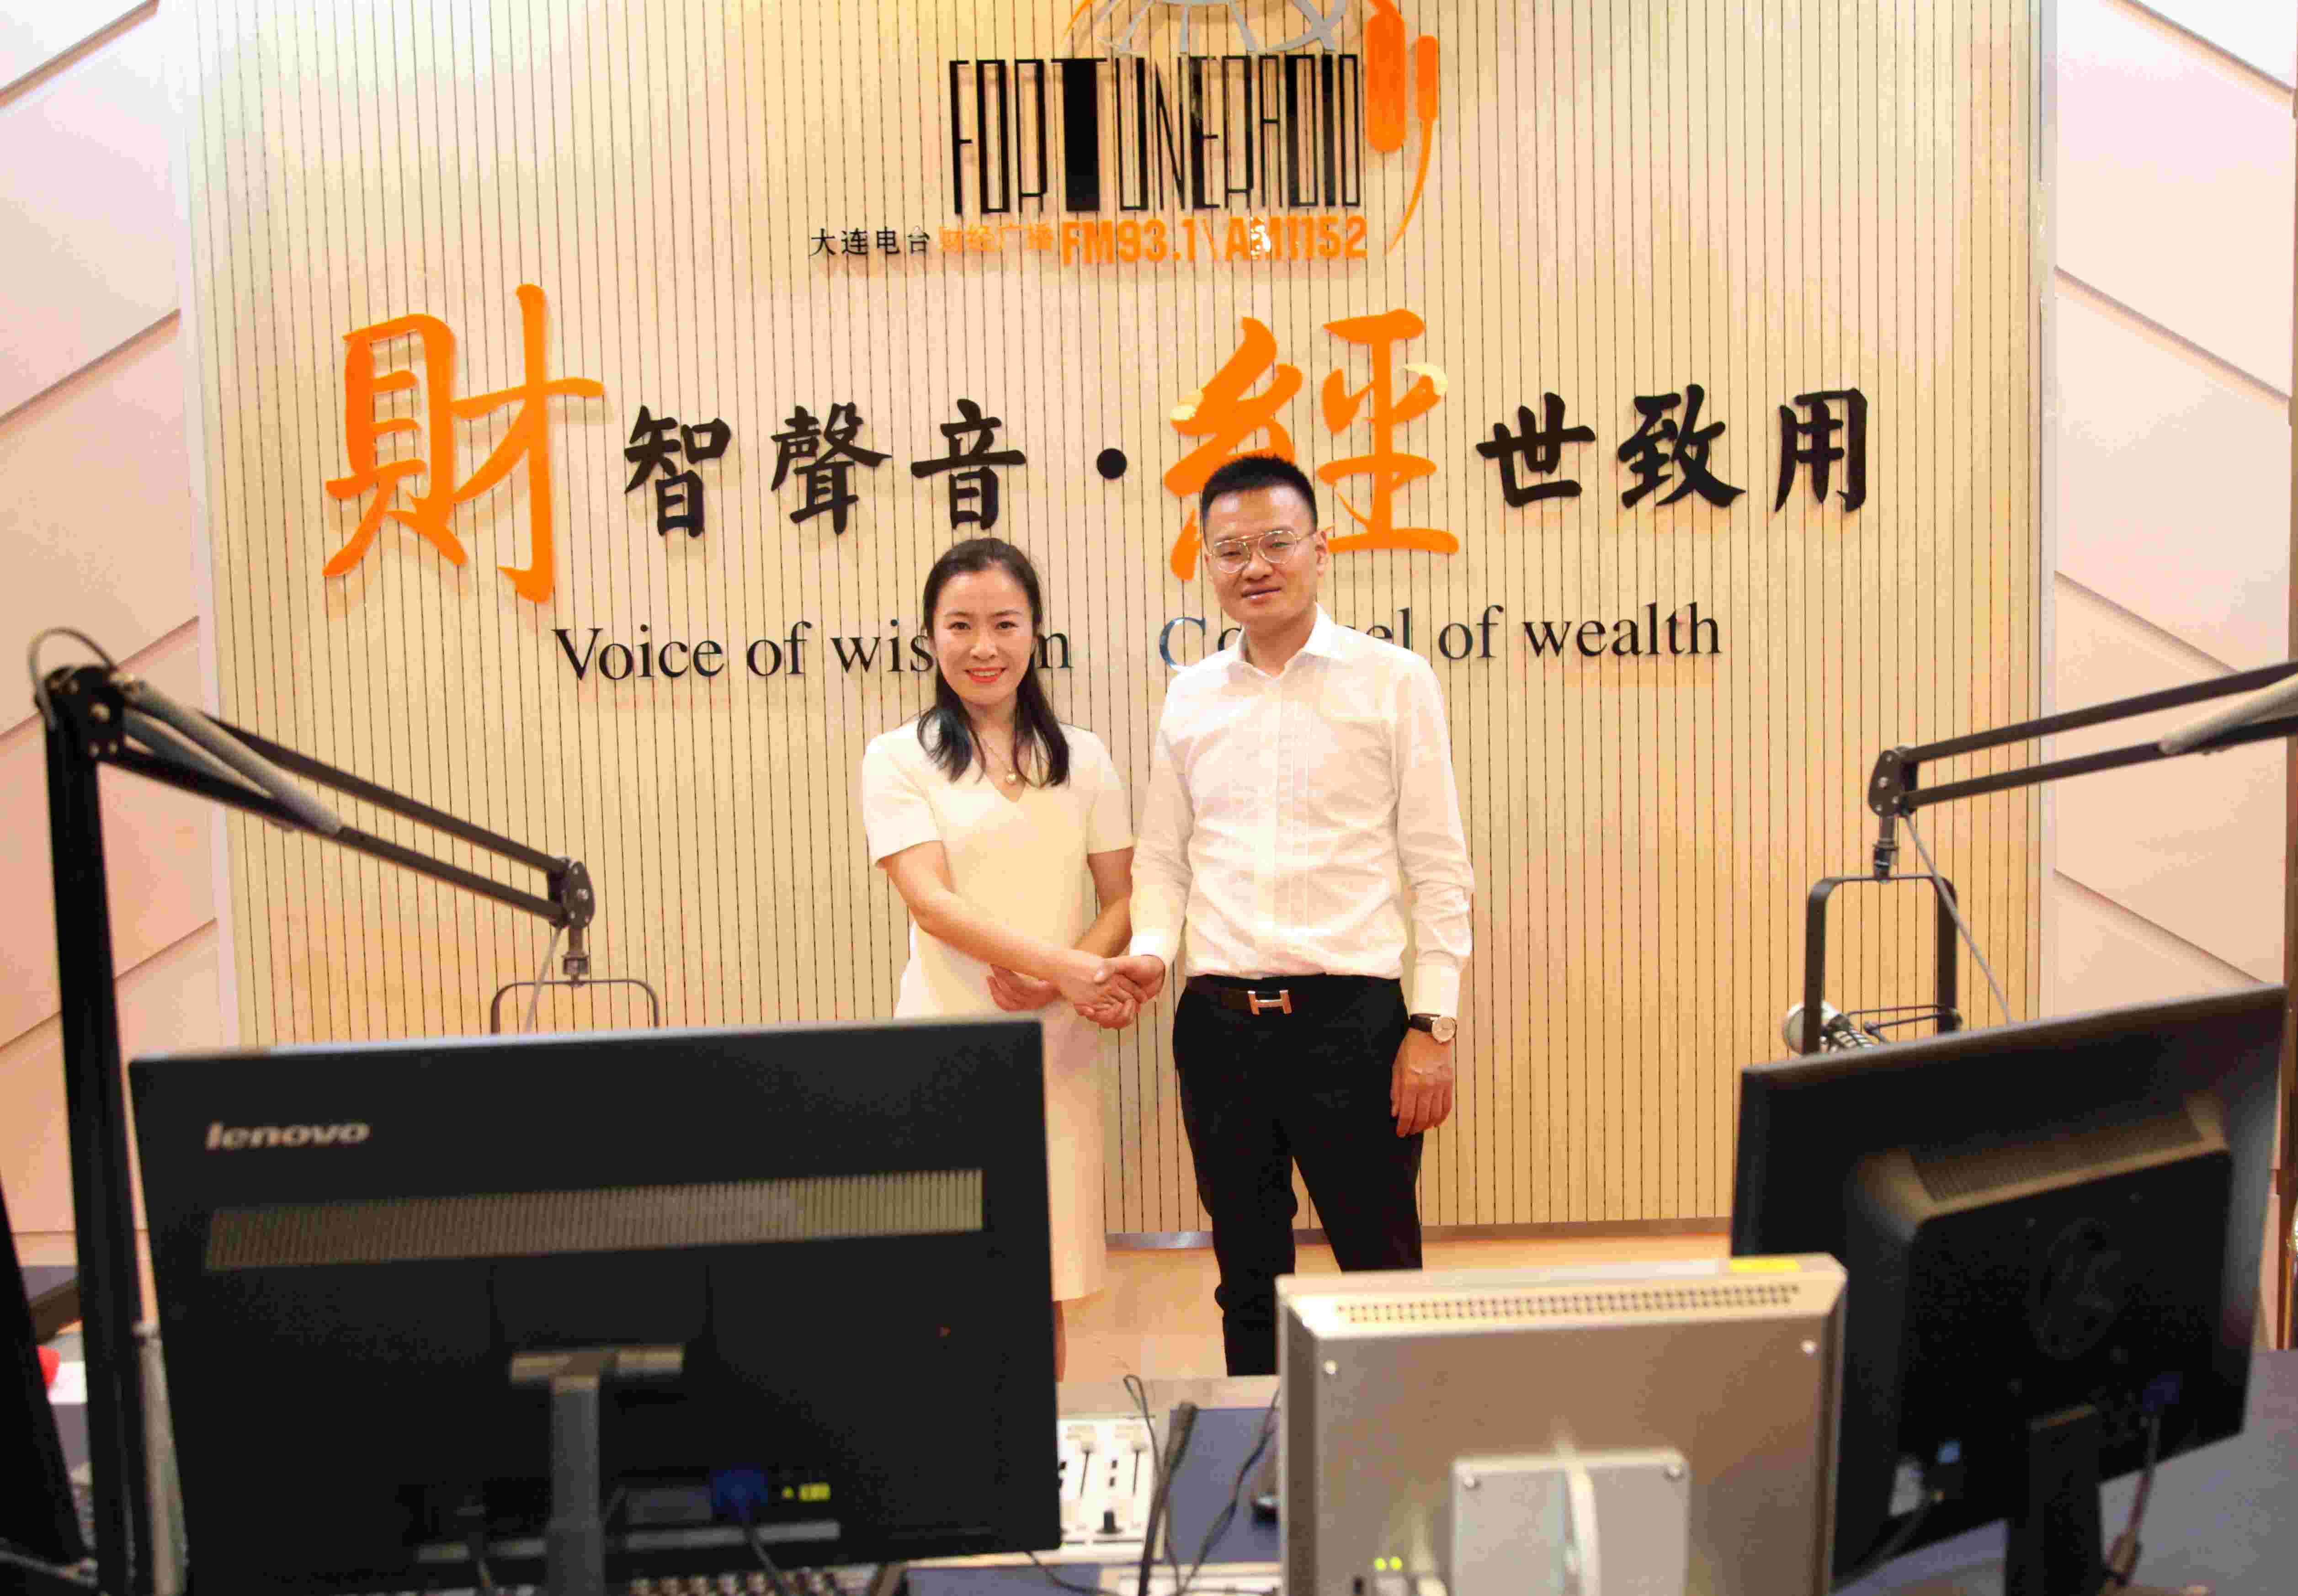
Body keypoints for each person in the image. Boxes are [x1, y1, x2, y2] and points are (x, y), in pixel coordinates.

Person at [1106, 454, 1473, 1376]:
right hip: (1220, 1029)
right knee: (1248, 1280)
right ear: (1207, 562)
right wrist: (1150, 951)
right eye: (1231, 549)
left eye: (1276, 542)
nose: (1256, 566)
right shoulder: (1191, 696)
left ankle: (1397, 1448)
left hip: (1354, 1026)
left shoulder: (1392, 680)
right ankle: (1258, 1455)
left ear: (1321, 547)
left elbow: (1439, 867)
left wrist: (1433, 1024)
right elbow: (1164, 858)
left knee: (1380, 1268)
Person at [859, 537, 1138, 1379]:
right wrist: (1066, 969)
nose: (983, 647)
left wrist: (1061, 979)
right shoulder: (897, 757)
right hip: (944, 1045)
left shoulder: (1083, 757)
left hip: (1054, 1049)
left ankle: (1037, 1449)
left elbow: (1124, 899)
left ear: (1036, 634)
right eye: (961, 626)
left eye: (1005, 624)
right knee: (946, 1277)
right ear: (930, 638)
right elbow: (930, 902)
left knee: (1044, 1279)